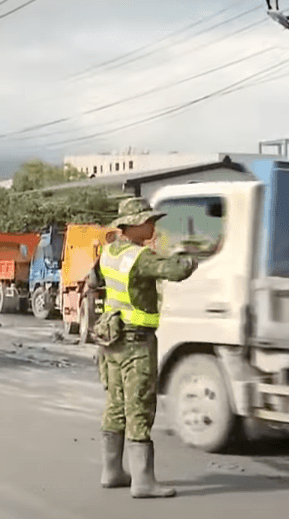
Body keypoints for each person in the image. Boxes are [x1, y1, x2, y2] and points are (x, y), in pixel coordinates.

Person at [89, 197, 198, 499]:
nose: (153, 226)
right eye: (149, 221)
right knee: (139, 407)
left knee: (114, 405)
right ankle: (143, 482)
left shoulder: (110, 252)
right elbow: (175, 272)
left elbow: (92, 279)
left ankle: (111, 472)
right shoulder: (139, 257)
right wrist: (190, 258)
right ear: (134, 225)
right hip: (136, 342)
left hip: (111, 340)